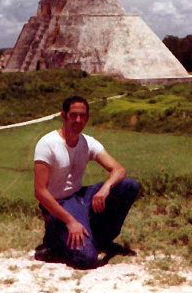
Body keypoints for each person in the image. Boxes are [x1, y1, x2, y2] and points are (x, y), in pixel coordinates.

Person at [33, 96, 141, 269]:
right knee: (87, 259)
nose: (78, 120)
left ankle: (101, 239)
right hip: (59, 202)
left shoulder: (88, 142)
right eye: (73, 115)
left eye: (82, 116)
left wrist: (105, 188)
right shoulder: (47, 144)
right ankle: (55, 242)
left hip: (80, 196)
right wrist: (70, 221)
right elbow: (40, 192)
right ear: (64, 115)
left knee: (129, 186)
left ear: (87, 117)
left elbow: (119, 170)